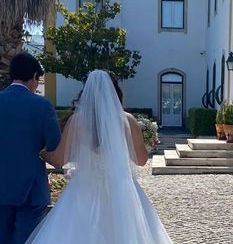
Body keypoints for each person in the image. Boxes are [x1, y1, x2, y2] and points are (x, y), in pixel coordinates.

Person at [27, 70, 172, 243]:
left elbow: (59, 160)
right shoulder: (128, 121)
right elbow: (141, 161)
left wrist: (41, 153)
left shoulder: (77, 121)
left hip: (83, 190)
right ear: (115, 91)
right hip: (121, 191)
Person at [0, 53, 61, 244]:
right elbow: (54, 144)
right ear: (35, 76)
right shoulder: (43, 106)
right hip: (33, 189)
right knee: (27, 240)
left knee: (5, 239)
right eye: (39, 79)